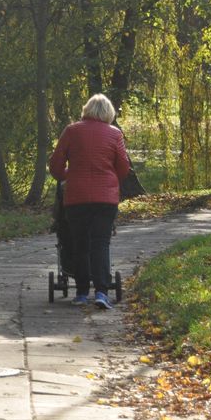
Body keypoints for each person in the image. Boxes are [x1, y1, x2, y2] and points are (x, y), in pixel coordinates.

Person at [48, 93, 131, 310]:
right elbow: (123, 167)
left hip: (76, 197)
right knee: (101, 243)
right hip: (106, 198)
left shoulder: (71, 131)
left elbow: (56, 165)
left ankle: (82, 293)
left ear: (86, 110)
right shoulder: (115, 134)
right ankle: (102, 292)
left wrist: (68, 173)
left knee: (80, 244)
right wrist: (107, 174)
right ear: (109, 113)